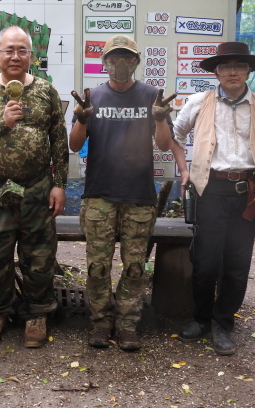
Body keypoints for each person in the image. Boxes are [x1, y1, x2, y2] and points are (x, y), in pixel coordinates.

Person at [69, 34, 188, 352]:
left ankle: (127, 325)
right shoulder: (92, 97)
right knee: (97, 267)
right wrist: (81, 119)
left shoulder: (151, 96)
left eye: (127, 57)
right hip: (99, 195)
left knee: (135, 268)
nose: (120, 63)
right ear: (104, 62)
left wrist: (159, 118)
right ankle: (100, 322)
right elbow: (75, 145)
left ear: (136, 61)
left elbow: (164, 144)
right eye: (114, 58)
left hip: (138, 196)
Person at [172, 42, 255, 356]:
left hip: (248, 194)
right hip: (210, 191)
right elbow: (174, 135)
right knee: (205, 262)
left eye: (239, 65)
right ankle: (201, 318)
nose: (232, 72)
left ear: (248, 70)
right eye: (225, 66)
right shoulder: (199, 102)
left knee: (237, 265)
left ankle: (223, 323)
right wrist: (184, 169)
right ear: (216, 72)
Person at [0, 26, 69, 349]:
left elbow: (58, 142)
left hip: (37, 189)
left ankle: (36, 314)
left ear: (31, 55)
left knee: (39, 257)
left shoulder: (46, 91)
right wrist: (1, 123)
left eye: (22, 50)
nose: (16, 56)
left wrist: (59, 185)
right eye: (9, 50)